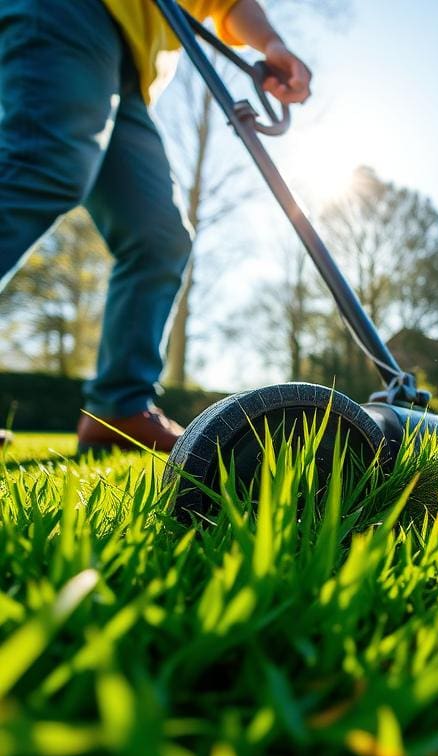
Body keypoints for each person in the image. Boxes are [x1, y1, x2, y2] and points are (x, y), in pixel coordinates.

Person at [0, 0, 311, 452]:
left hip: (130, 72)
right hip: (66, 11)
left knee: (159, 238)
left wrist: (271, 44)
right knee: (43, 167)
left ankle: (118, 409)